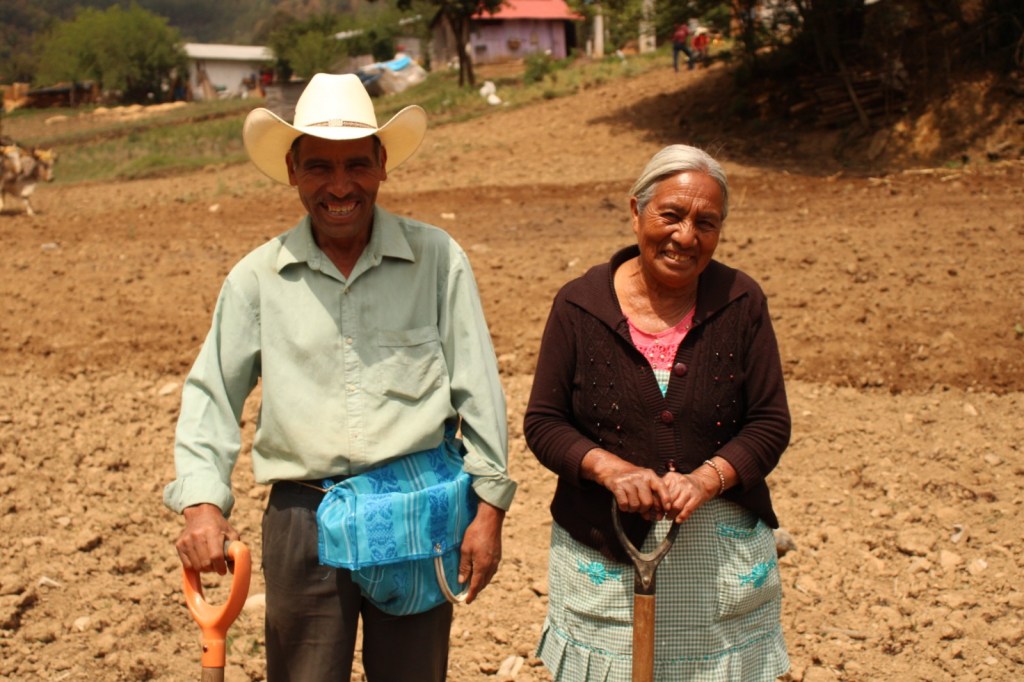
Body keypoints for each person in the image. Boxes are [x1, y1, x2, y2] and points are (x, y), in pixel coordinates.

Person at [164, 73, 516, 681]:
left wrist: (488, 511)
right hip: (305, 520)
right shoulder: (258, 279)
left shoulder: (436, 259)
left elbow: (478, 388)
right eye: (318, 167)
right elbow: (211, 396)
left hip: (417, 511)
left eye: (356, 163)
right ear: (293, 170)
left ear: (382, 164)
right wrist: (201, 505)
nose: (339, 186)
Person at [524, 144, 790, 681]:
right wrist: (611, 470)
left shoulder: (741, 301)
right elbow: (544, 422)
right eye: (671, 214)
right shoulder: (579, 305)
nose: (686, 236)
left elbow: (769, 422)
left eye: (706, 222)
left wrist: (708, 479)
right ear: (636, 211)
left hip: (717, 554)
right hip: (606, 551)